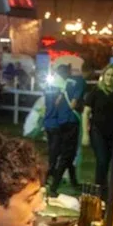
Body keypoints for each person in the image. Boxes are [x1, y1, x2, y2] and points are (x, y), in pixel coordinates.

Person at [81, 64, 113, 193]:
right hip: (97, 131)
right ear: (103, 76)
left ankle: (103, 190)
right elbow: (86, 113)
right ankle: (99, 191)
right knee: (102, 160)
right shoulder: (96, 92)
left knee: (108, 163)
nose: (110, 78)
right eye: (108, 75)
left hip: (112, 133)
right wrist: (85, 134)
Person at [43, 64, 82, 195]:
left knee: (63, 153)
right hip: (57, 123)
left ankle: (73, 180)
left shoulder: (49, 87)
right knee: (59, 155)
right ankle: (47, 181)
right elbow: (60, 104)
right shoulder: (62, 86)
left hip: (49, 123)